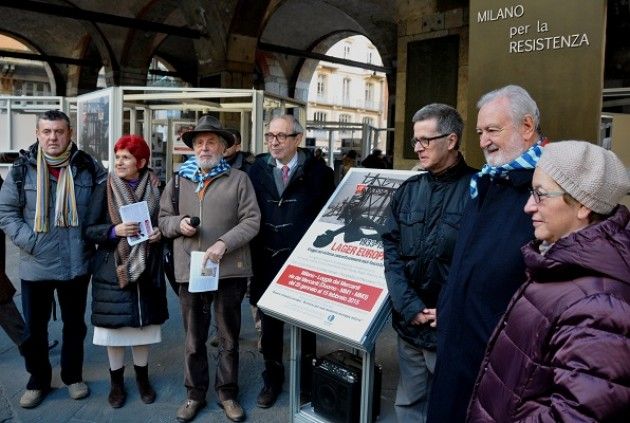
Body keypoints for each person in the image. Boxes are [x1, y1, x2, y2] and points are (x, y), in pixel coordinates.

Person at [467, 141, 630, 422]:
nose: (528, 206)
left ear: (582, 205)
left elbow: (577, 414)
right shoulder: (561, 265)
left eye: (540, 195)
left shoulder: (599, 303)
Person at [427, 85, 543, 422]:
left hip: (501, 360)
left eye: (493, 130)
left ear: (527, 126)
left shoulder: (545, 188)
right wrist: (450, 304)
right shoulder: (486, 181)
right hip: (457, 345)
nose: (483, 141)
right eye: (479, 132)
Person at [0, 110, 107, 409]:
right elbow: (6, 213)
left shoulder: (87, 166)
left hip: (77, 262)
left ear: (70, 133)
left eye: (59, 131)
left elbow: (107, 202)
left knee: (75, 325)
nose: (53, 137)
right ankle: (38, 381)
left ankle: (73, 376)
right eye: (46, 131)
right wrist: (31, 242)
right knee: (35, 329)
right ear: (37, 134)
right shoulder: (22, 170)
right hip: (36, 264)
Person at [159, 115, 260, 423]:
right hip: (191, 270)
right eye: (199, 142)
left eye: (211, 142)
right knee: (193, 339)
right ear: (192, 148)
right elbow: (163, 220)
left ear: (223, 146)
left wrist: (223, 243)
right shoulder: (178, 180)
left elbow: (252, 220)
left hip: (229, 269)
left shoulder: (239, 179)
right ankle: (194, 394)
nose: (204, 147)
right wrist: (179, 224)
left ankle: (227, 394)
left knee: (228, 337)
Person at [382, 103, 476, 422]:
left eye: (426, 140)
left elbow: (480, 267)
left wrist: (449, 310)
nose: (418, 148)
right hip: (410, 324)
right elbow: (391, 254)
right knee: (409, 403)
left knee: (450, 408)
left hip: (451, 329)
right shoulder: (408, 191)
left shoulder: (480, 192)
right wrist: (409, 306)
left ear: (451, 141)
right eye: (415, 141)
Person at [248, 115, 335, 408]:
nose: (274, 141)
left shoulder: (320, 173)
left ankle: (307, 381)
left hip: (303, 263)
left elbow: (329, 218)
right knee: (270, 328)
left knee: (305, 326)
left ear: (297, 138)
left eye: (281, 136)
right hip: (265, 259)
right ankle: (272, 378)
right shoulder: (256, 170)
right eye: (270, 135)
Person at [85, 135, 168, 408]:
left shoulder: (158, 187)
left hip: (147, 269)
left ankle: (143, 380)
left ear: (141, 162)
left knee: (142, 329)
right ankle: (116, 384)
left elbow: (165, 223)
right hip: (114, 270)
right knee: (115, 331)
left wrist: (159, 234)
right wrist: (113, 231)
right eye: (117, 156)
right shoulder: (104, 188)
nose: (119, 161)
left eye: (126, 157)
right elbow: (88, 229)